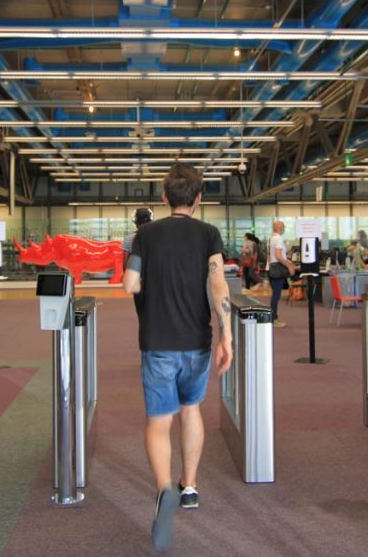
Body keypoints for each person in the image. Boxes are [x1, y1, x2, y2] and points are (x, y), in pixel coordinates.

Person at [122, 164, 233, 552]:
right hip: (197, 341)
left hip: (157, 341)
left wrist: (144, 278)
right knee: (191, 411)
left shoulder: (145, 236)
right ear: (199, 199)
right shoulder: (209, 235)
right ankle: (189, 486)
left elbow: (129, 284)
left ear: (165, 198)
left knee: (158, 420)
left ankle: (163, 488)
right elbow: (217, 282)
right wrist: (227, 335)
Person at [268, 220, 298, 328]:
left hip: (272, 268)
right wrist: (288, 265)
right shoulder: (279, 239)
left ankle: (273, 318)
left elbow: (275, 255)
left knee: (275, 295)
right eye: (283, 226)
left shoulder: (271, 238)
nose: (284, 228)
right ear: (280, 228)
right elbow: (278, 256)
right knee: (276, 295)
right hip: (277, 269)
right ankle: (273, 319)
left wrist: (287, 261)